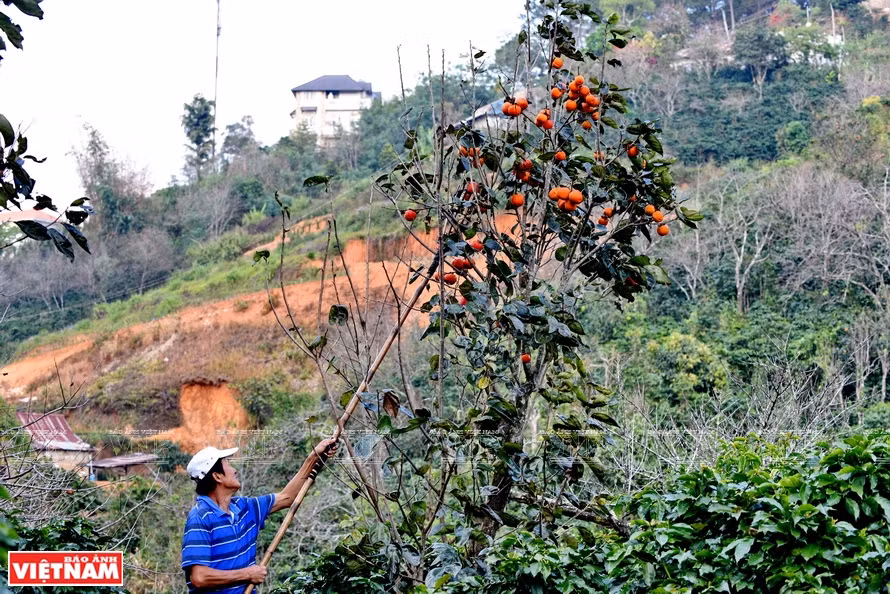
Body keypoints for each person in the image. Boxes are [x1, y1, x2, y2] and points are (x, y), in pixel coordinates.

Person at [181, 438, 337, 593]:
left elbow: (287, 497)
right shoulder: (200, 517)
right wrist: (247, 574)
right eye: (228, 464)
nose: (234, 470)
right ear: (217, 476)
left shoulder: (244, 508)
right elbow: (199, 578)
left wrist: (314, 458)